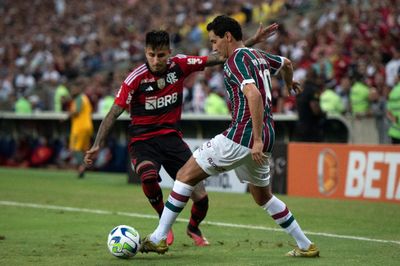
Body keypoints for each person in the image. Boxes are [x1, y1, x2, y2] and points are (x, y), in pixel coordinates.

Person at [140, 15, 319, 258]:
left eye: (214, 41)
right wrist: (289, 84)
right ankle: (305, 244)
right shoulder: (258, 55)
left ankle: (159, 238)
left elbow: (253, 95)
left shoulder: (235, 60)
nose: (213, 47)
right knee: (263, 197)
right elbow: (286, 63)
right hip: (267, 135)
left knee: (184, 175)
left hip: (243, 135)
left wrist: (254, 140)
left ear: (227, 37)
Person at [84, 25, 278, 247]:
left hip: (172, 139)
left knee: (201, 198)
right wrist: (97, 144)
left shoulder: (180, 65)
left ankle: (193, 227)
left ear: (169, 52)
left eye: (161, 55)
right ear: (145, 53)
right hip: (143, 140)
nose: (156, 60)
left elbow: (220, 56)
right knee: (148, 176)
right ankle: (162, 223)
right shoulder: (135, 78)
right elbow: (113, 112)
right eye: (151, 55)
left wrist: (251, 40)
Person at [68, 78, 93, 178]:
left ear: (78, 89)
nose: (72, 91)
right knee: (84, 150)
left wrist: (67, 115)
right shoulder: (85, 98)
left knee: (75, 149)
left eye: (73, 89)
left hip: (79, 127)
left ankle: (82, 168)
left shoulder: (79, 98)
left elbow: (76, 111)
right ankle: (83, 167)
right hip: (87, 126)